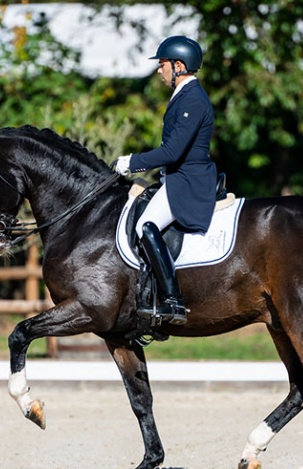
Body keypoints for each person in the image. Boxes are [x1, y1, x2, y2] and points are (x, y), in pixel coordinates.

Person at [113, 35, 218, 326]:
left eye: (163, 65)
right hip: (177, 178)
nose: (160, 71)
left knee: (145, 226)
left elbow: (172, 151)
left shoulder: (193, 98)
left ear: (179, 65)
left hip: (187, 181)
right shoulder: (184, 95)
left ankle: (172, 300)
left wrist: (130, 163)